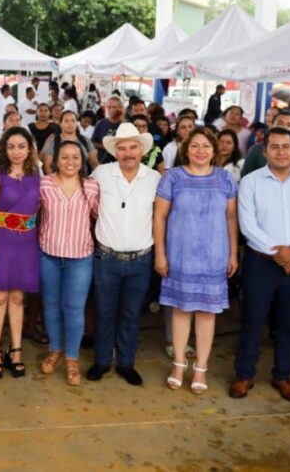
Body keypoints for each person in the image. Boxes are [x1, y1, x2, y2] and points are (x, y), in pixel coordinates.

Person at [230, 128, 290, 402]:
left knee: (287, 324)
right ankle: (244, 374)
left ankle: (282, 375)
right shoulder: (250, 182)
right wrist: (277, 253)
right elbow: (248, 226)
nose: (281, 151)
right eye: (274, 147)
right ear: (264, 151)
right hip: (261, 264)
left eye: (286, 146)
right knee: (252, 321)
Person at [153, 128, 238, 394]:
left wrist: (233, 253)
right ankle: (179, 363)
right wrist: (160, 253)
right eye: (195, 146)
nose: (200, 151)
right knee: (180, 310)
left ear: (214, 150)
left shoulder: (225, 179)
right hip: (180, 256)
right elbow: (160, 217)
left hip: (214, 256)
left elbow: (231, 218)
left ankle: (201, 367)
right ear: (185, 150)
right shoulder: (172, 178)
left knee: (206, 313)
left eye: (206, 146)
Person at [86, 123, 161, 385]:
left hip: (141, 259)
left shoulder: (154, 179)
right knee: (104, 312)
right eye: (122, 148)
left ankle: (126, 363)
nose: (128, 153)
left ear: (141, 149)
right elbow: (89, 206)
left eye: (132, 147)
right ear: (115, 151)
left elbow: (160, 219)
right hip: (107, 258)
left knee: (130, 314)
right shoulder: (101, 174)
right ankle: (102, 361)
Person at [0, 127, 41, 379]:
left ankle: (15, 350)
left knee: (17, 299)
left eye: (21, 146)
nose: (16, 151)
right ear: (4, 149)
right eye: (11, 146)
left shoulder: (37, 173)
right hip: (1, 243)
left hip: (27, 243)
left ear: (29, 149)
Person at [38, 140, 100, 386]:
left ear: (82, 161)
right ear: (55, 159)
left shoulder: (92, 187)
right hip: (49, 255)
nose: (70, 161)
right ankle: (55, 349)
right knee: (51, 306)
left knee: (74, 308)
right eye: (64, 157)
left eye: (75, 157)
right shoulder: (45, 184)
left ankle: (72, 357)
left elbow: (97, 217)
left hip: (80, 258)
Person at [240, 111, 290, 177]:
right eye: (280, 123)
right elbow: (245, 177)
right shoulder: (255, 150)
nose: (285, 127)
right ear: (271, 125)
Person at [40, 110, 98, 176]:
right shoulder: (53, 141)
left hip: (82, 180)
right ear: (60, 124)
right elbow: (47, 166)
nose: (70, 124)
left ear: (77, 123)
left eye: (73, 121)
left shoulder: (85, 140)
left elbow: (94, 163)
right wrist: (53, 183)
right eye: (66, 121)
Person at [91, 96, 125, 165]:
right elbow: (93, 142)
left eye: (114, 107)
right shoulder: (100, 123)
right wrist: (105, 146)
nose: (111, 110)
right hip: (102, 163)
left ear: (120, 108)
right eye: (109, 107)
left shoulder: (125, 124)